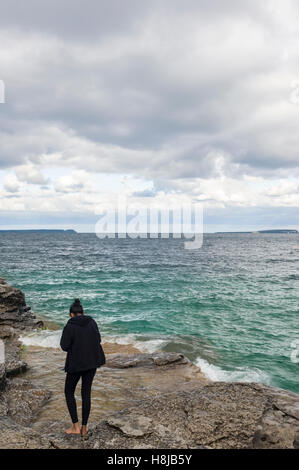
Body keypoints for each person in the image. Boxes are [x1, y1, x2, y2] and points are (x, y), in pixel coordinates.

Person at [60, 298, 105, 436]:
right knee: (86, 394)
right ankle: (84, 428)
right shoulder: (92, 322)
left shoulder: (70, 325)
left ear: (71, 314)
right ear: (83, 312)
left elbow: (64, 346)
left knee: (69, 392)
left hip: (76, 364)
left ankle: (76, 427)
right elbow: (98, 340)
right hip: (92, 363)